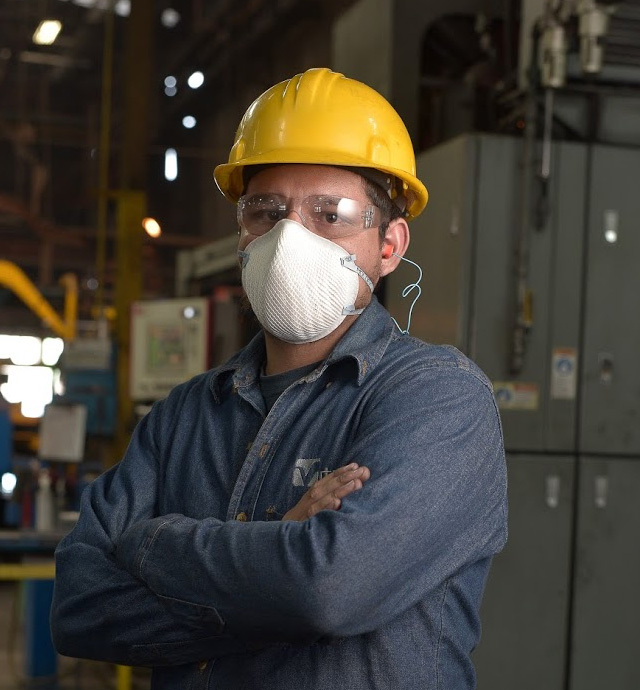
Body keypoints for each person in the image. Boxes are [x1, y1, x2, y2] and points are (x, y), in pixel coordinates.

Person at [51, 67, 507, 690]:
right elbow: (77, 608)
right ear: (243, 232)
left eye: (331, 215)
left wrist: (156, 545)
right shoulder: (184, 415)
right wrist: (278, 556)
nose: (290, 238)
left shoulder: (438, 399)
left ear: (390, 245)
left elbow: (331, 588)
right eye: (266, 211)